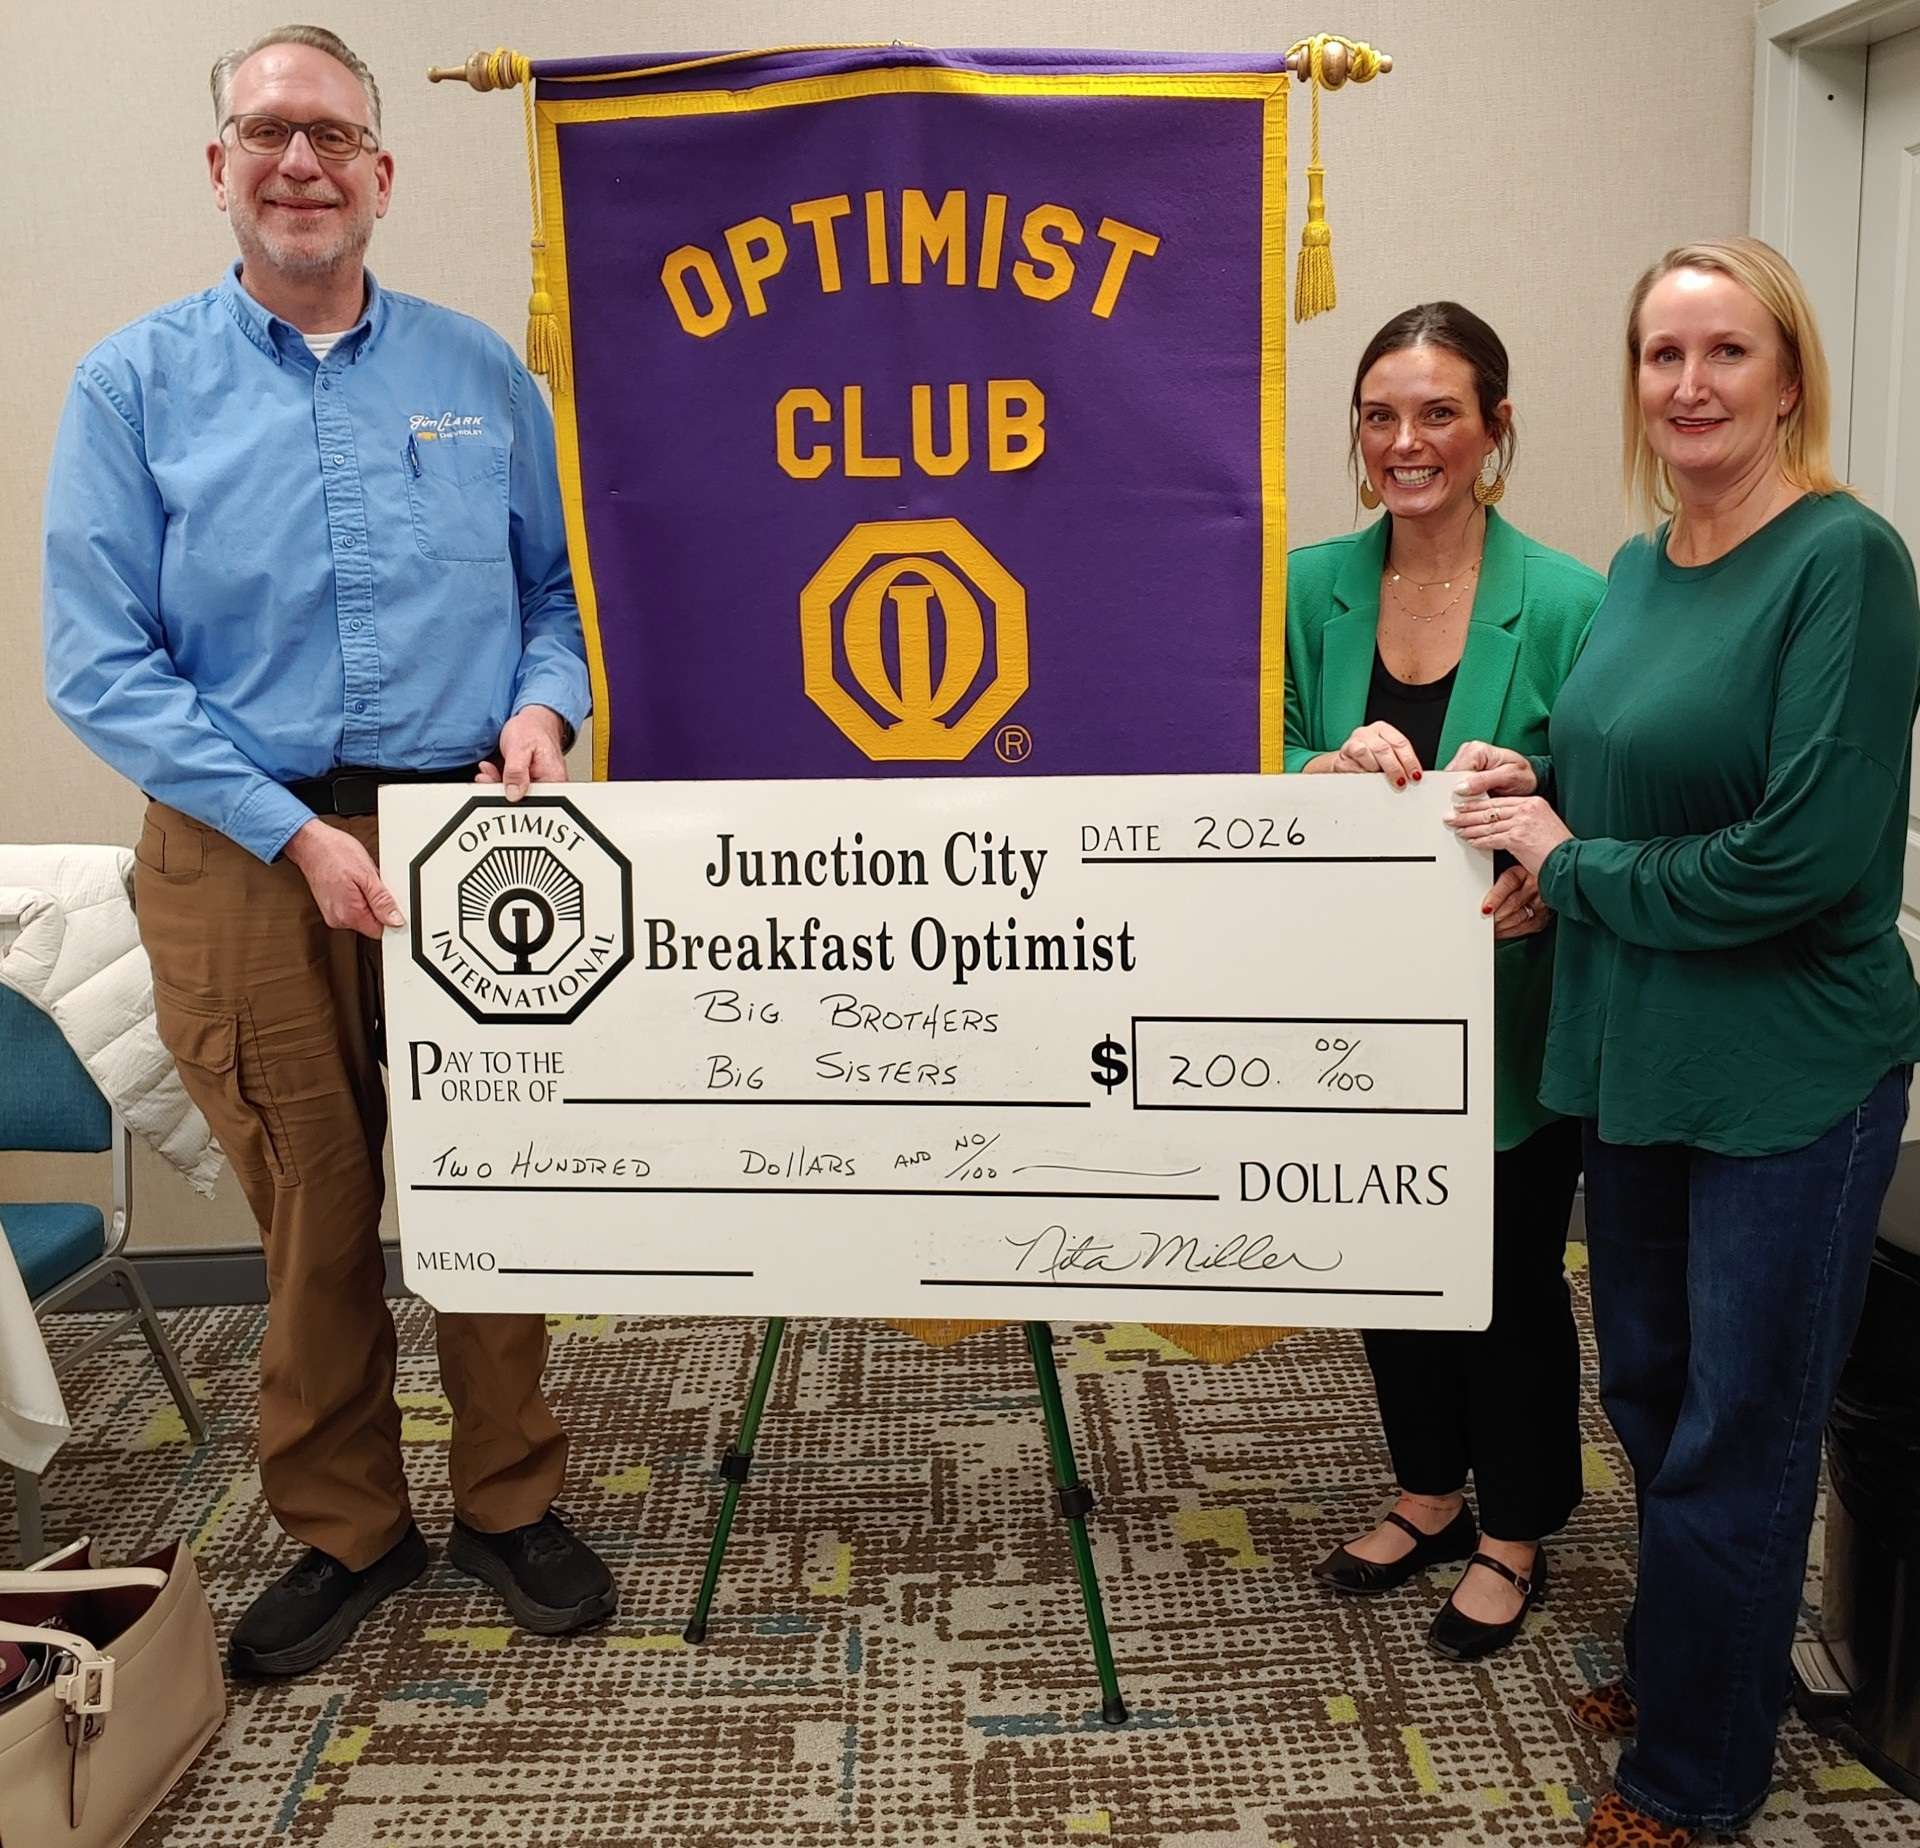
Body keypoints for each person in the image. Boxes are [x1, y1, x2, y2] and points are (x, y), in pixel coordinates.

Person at [41, 25, 616, 1676]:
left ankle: (512, 1498)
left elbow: (552, 597)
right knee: (313, 1202)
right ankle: (347, 1530)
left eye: (332, 135)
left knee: (503, 1179)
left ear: (381, 171)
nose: (301, 162)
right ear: (219, 167)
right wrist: (297, 834)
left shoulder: (478, 372)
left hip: (467, 835)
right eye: (267, 133)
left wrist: (544, 711)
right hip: (242, 846)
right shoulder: (132, 384)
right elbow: (100, 660)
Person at [1447, 238, 1920, 1848]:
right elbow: (1622, 773)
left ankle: (1694, 1779)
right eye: (1664, 355)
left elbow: (1803, 853)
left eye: (1728, 352)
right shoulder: (1647, 565)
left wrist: (1579, 866)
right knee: (1649, 1396)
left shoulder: (1846, 561)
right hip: (1640, 1048)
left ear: (1789, 374)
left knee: (1743, 1423)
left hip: (1791, 1071)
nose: (1693, 385)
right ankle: (1694, 1660)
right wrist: (1522, 803)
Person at [1286, 303, 1602, 1660]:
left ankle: (1519, 1522)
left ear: (1495, 429)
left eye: (1438, 414)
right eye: (1379, 415)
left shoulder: (1579, 599)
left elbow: (1611, 790)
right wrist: (1316, 771)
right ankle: (1427, 1486)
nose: (1406, 441)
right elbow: (1240, 761)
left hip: (1510, 1006)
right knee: (1386, 1249)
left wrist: (1555, 858)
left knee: (1506, 1270)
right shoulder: (1304, 588)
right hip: (1350, 1000)